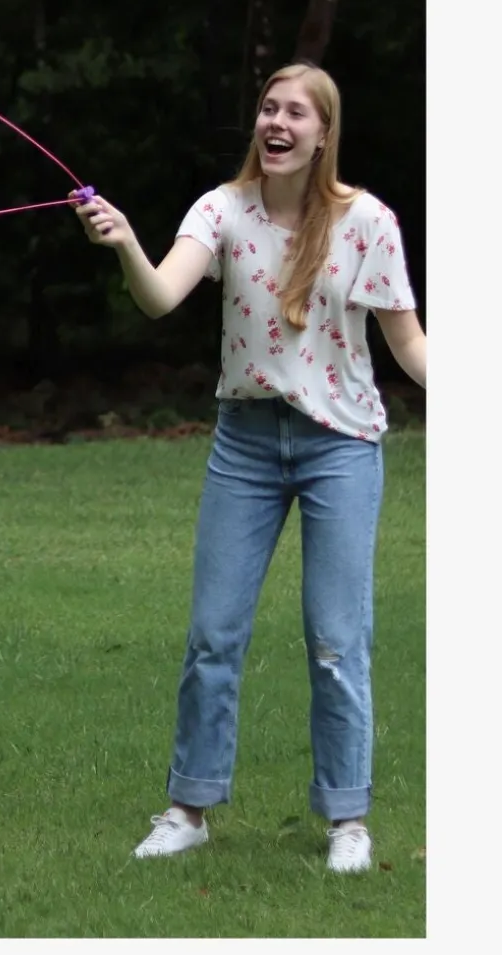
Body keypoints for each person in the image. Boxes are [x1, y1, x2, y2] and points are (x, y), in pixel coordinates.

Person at [71, 63, 425, 874]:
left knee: (337, 639)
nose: (278, 122)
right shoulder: (222, 209)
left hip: (341, 444)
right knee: (213, 635)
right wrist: (125, 243)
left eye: (296, 112)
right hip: (246, 444)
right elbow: (160, 295)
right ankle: (189, 810)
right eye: (269, 108)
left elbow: (408, 345)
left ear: (323, 134)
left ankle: (347, 821)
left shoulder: (367, 221)